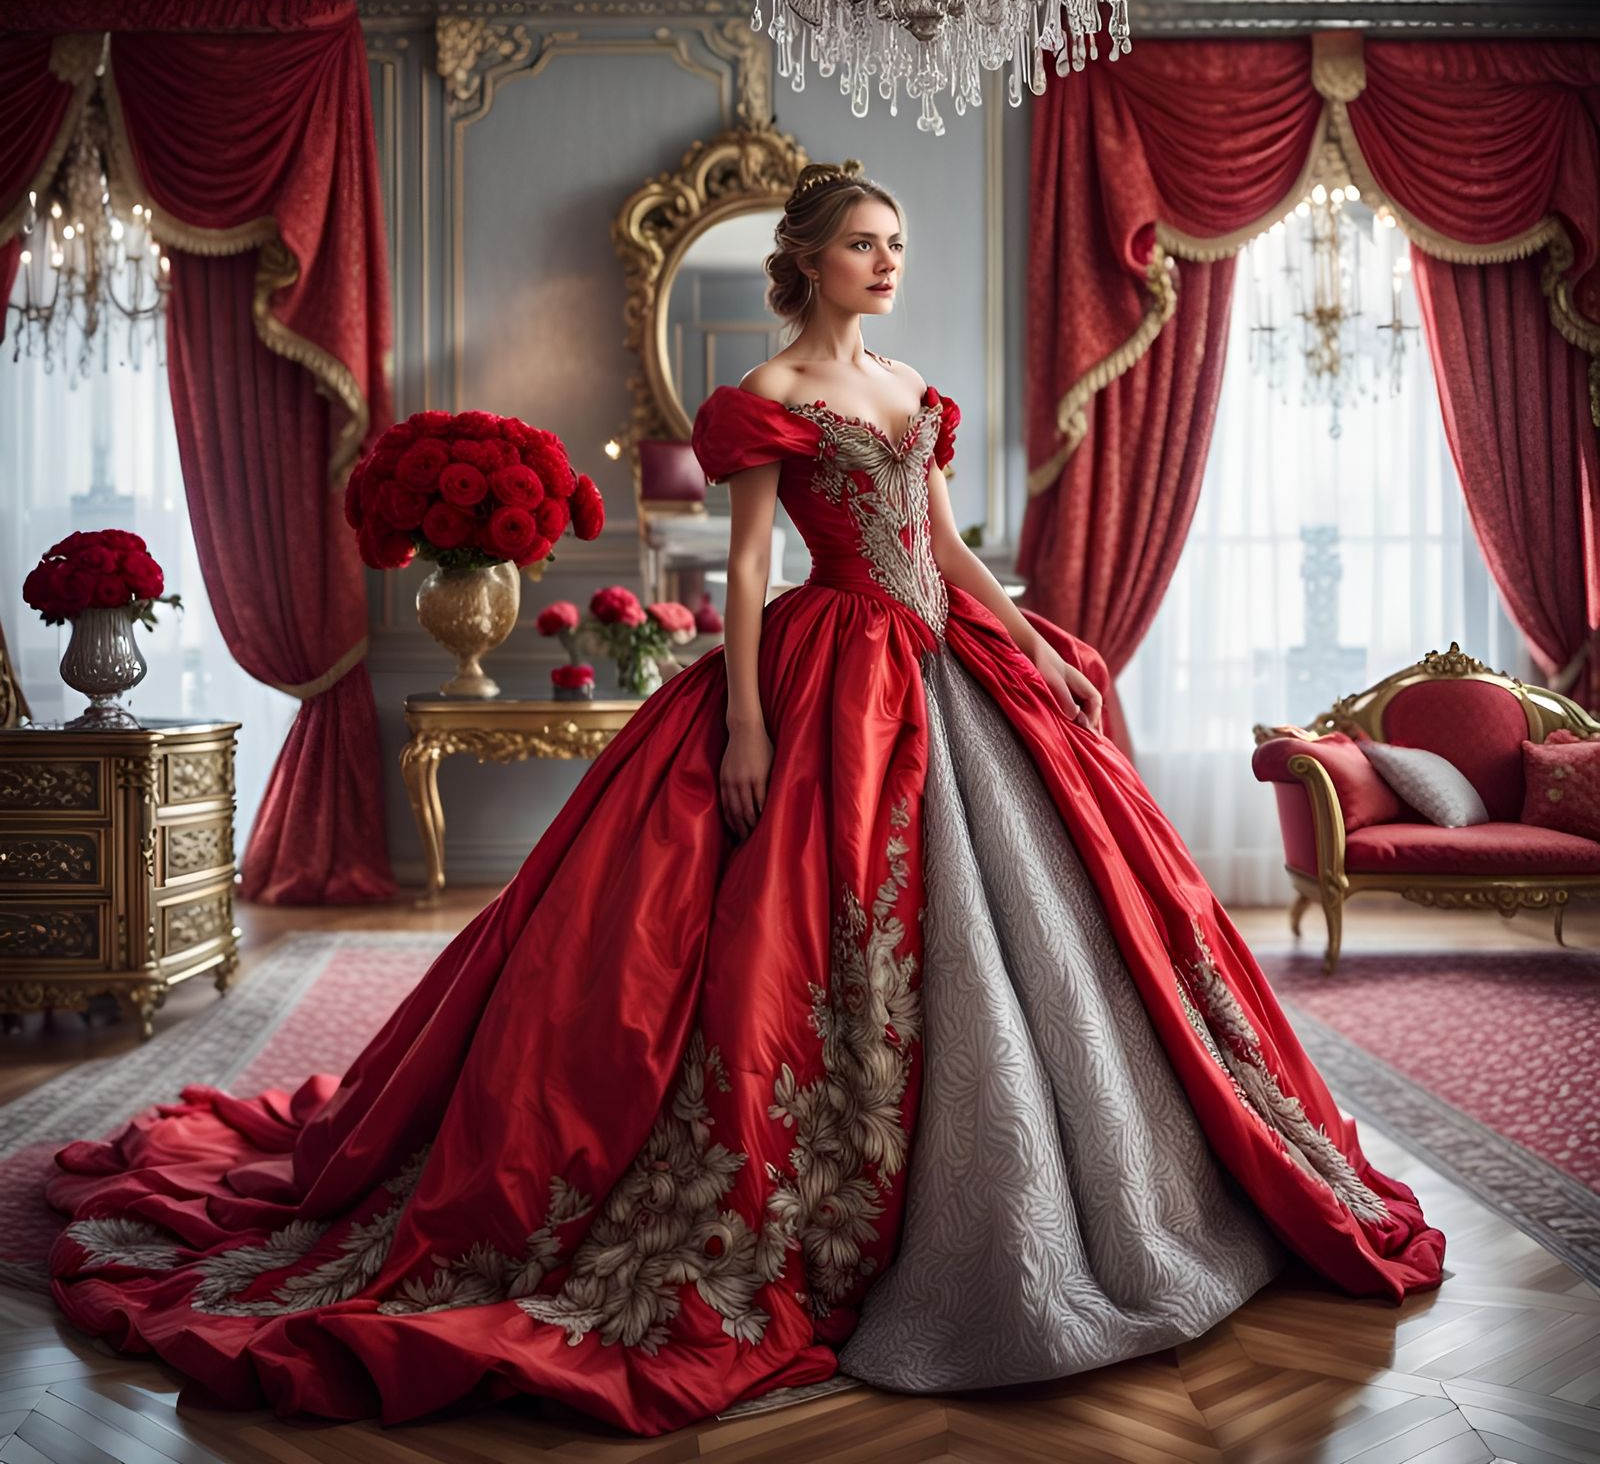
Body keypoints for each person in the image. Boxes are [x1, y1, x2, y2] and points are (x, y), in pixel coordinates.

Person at [44, 160, 1444, 1439]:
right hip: (832, 665)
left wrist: (1038, 649)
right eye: (863, 245)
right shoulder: (770, 393)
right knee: (791, 941)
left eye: (897, 244)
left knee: (1072, 911)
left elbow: (946, 547)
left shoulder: (908, 384)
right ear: (809, 261)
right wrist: (749, 725)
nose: (887, 263)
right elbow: (756, 569)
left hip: (950, 662)